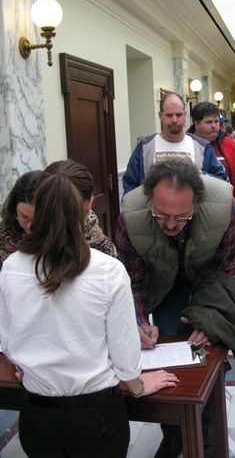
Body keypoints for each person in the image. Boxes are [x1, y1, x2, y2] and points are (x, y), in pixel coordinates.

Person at [0, 160, 178, 458]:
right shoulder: (107, 271)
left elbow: (8, 341)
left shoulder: (12, 268)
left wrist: (35, 367)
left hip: (37, 415)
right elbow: (124, 352)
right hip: (97, 417)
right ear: (88, 206)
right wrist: (136, 385)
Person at [116, 158, 235, 457]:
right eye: (161, 215)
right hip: (163, 286)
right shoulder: (130, 216)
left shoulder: (225, 209)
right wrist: (137, 322)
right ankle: (174, 431)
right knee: (166, 353)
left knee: (205, 355)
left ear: (197, 203)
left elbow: (227, 270)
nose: (171, 224)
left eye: (181, 217)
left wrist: (209, 318)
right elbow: (131, 281)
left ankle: (207, 428)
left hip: (209, 280)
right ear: (149, 199)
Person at [0, 168, 117, 266]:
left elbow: (108, 254)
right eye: (24, 217)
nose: (30, 226)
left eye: (38, 218)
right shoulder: (5, 234)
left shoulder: (83, 223)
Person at [122, 92, 225, 193]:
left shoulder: (202, 147)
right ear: (160, 116)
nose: (174, 120)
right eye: (169, 115)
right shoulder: (145, 148)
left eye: (179, 115)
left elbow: (221, 179)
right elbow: (130, 186)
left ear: (185, 115)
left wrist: (202, 176)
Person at [190, 102, 235, 209]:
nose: (214, 126)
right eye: (208, 122)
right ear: (196, 124)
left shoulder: (229, 144)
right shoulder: (186, 145)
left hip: (227, 209)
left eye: (216, 121)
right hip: (194, 210)